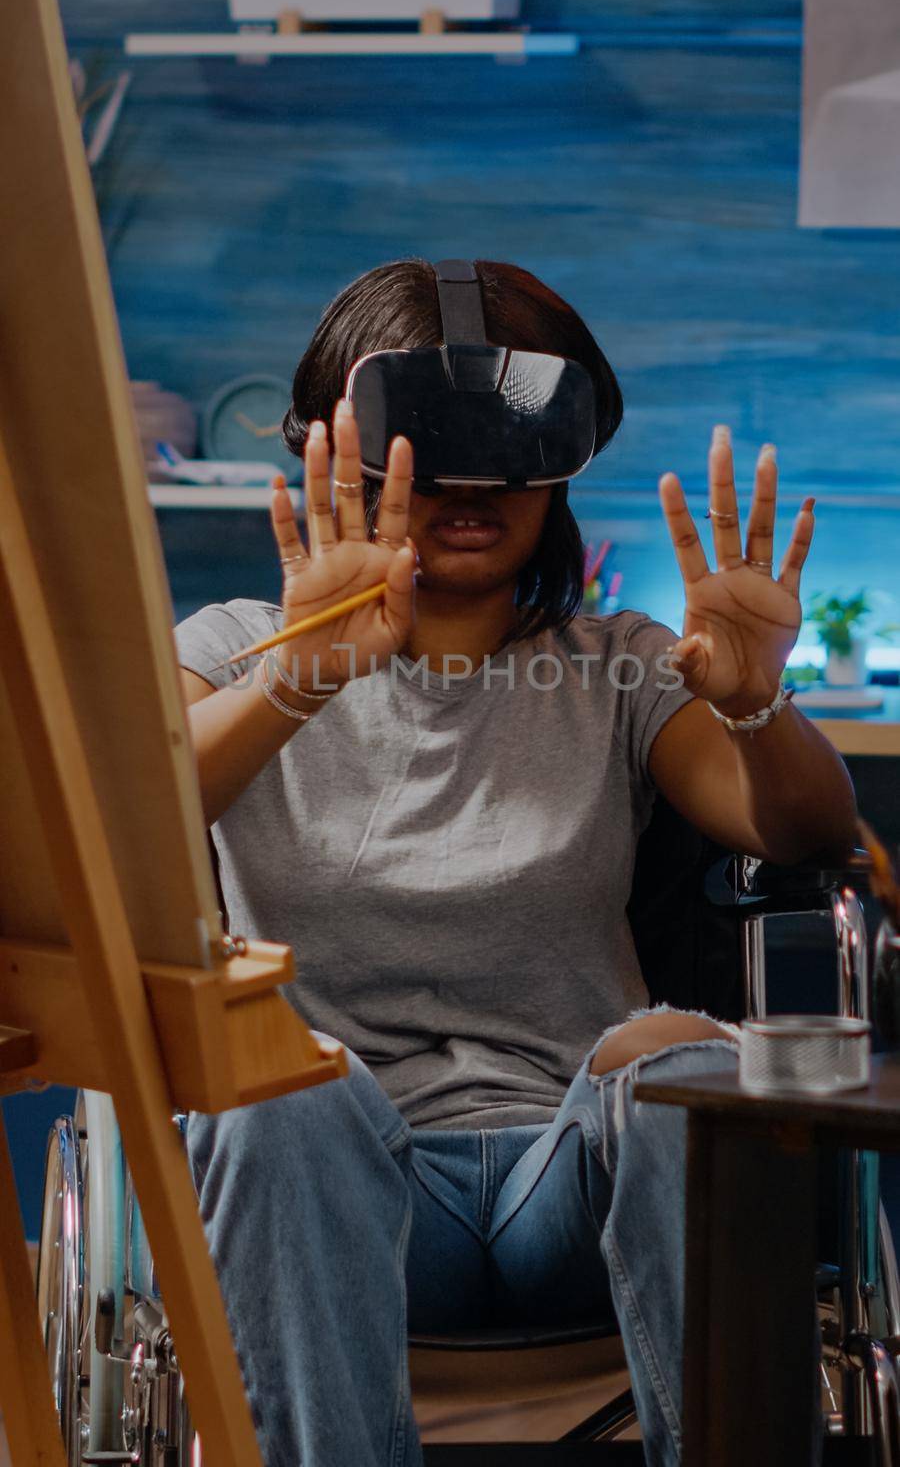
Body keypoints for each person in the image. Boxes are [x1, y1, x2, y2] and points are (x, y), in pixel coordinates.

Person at [175, 258, 856, 1467]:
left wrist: (761, 707)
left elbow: (802, 834)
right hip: (340, 1177)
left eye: (507, 447)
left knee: (686, 1072)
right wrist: (300, 674)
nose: (472, 484)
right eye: (424, 450)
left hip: (573, 1176)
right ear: (334, 452)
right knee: (266, 1092)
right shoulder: (232, 649)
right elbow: (137, 811)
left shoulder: (619, 663)